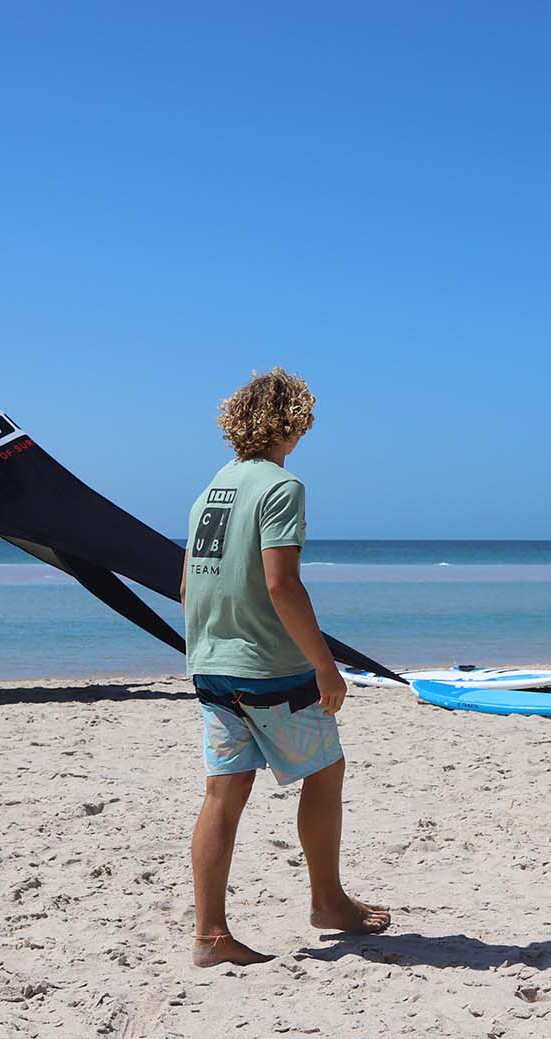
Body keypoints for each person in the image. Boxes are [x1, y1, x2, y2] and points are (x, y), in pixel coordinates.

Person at [181, 368, 389, 966]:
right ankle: (328, 901)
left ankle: (210, 936)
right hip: (268, 669)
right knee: (325, 772)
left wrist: (206, 648)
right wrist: (326, 665)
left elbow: (188, 580)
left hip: (212, 666)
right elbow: (281, 582)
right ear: (293, 422)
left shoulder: (211, 490)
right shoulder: (281, 487)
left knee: (223, 794)